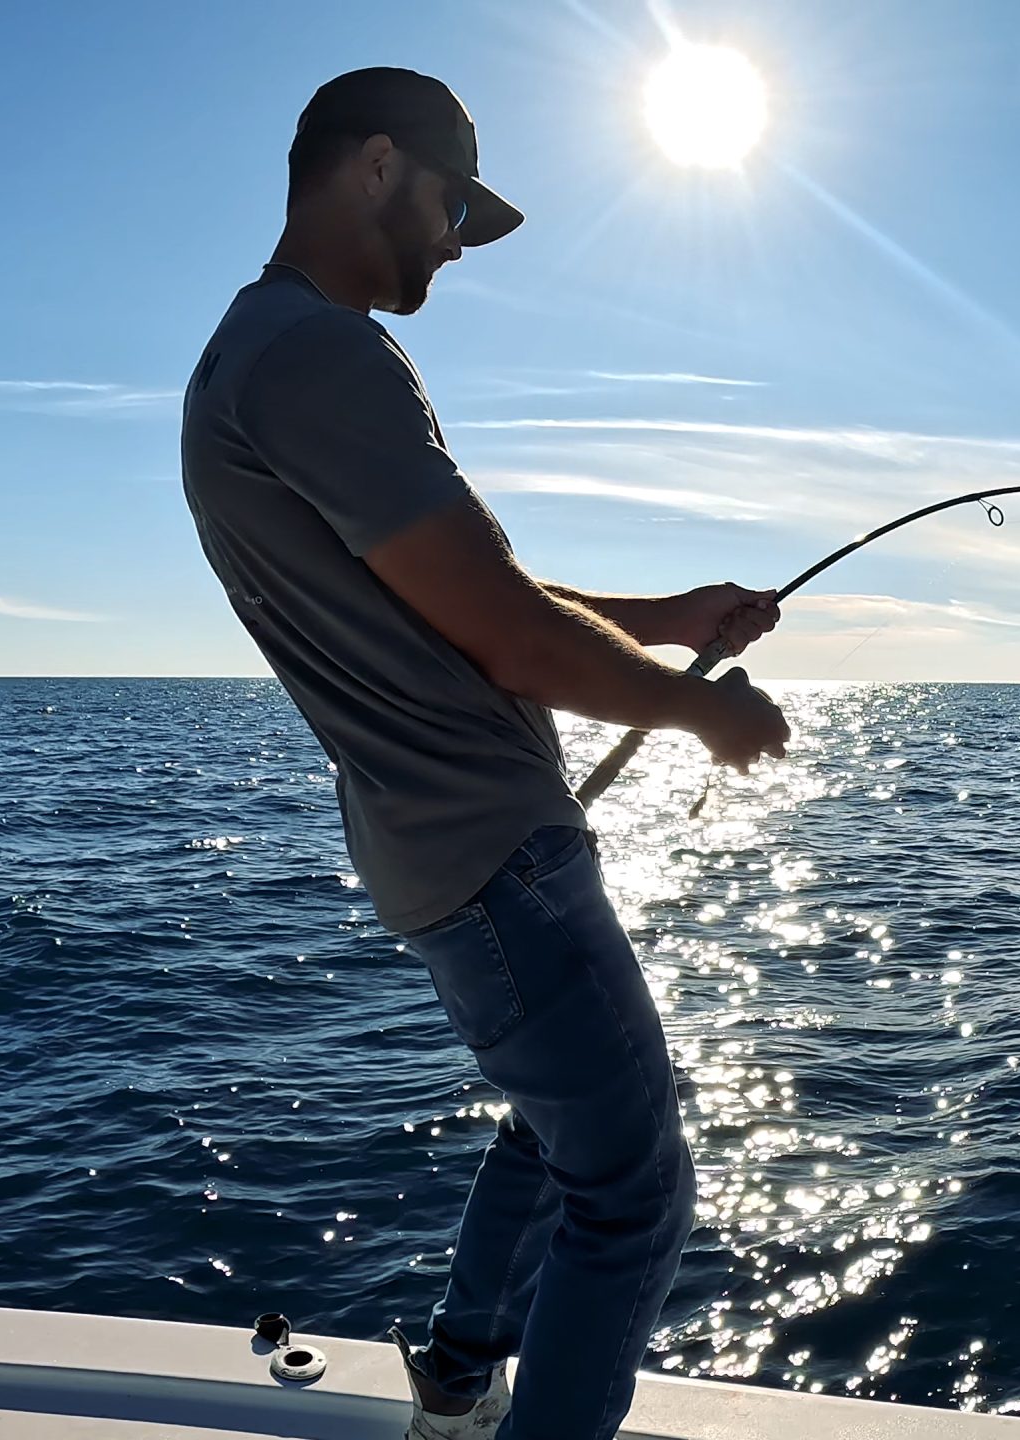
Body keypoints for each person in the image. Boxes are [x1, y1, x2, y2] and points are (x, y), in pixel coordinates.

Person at [179, 67, 789, 1440]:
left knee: (554, 1128)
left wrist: (669, 618)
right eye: (456, 204)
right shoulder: (317, 353)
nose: (457, 241)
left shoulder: (259, 353)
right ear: (377, 165)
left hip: (441, 856)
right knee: (633, 1194)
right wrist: (709, 710)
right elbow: (510, 638)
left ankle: (458, 1374)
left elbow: (468, 587)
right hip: (497, 855)